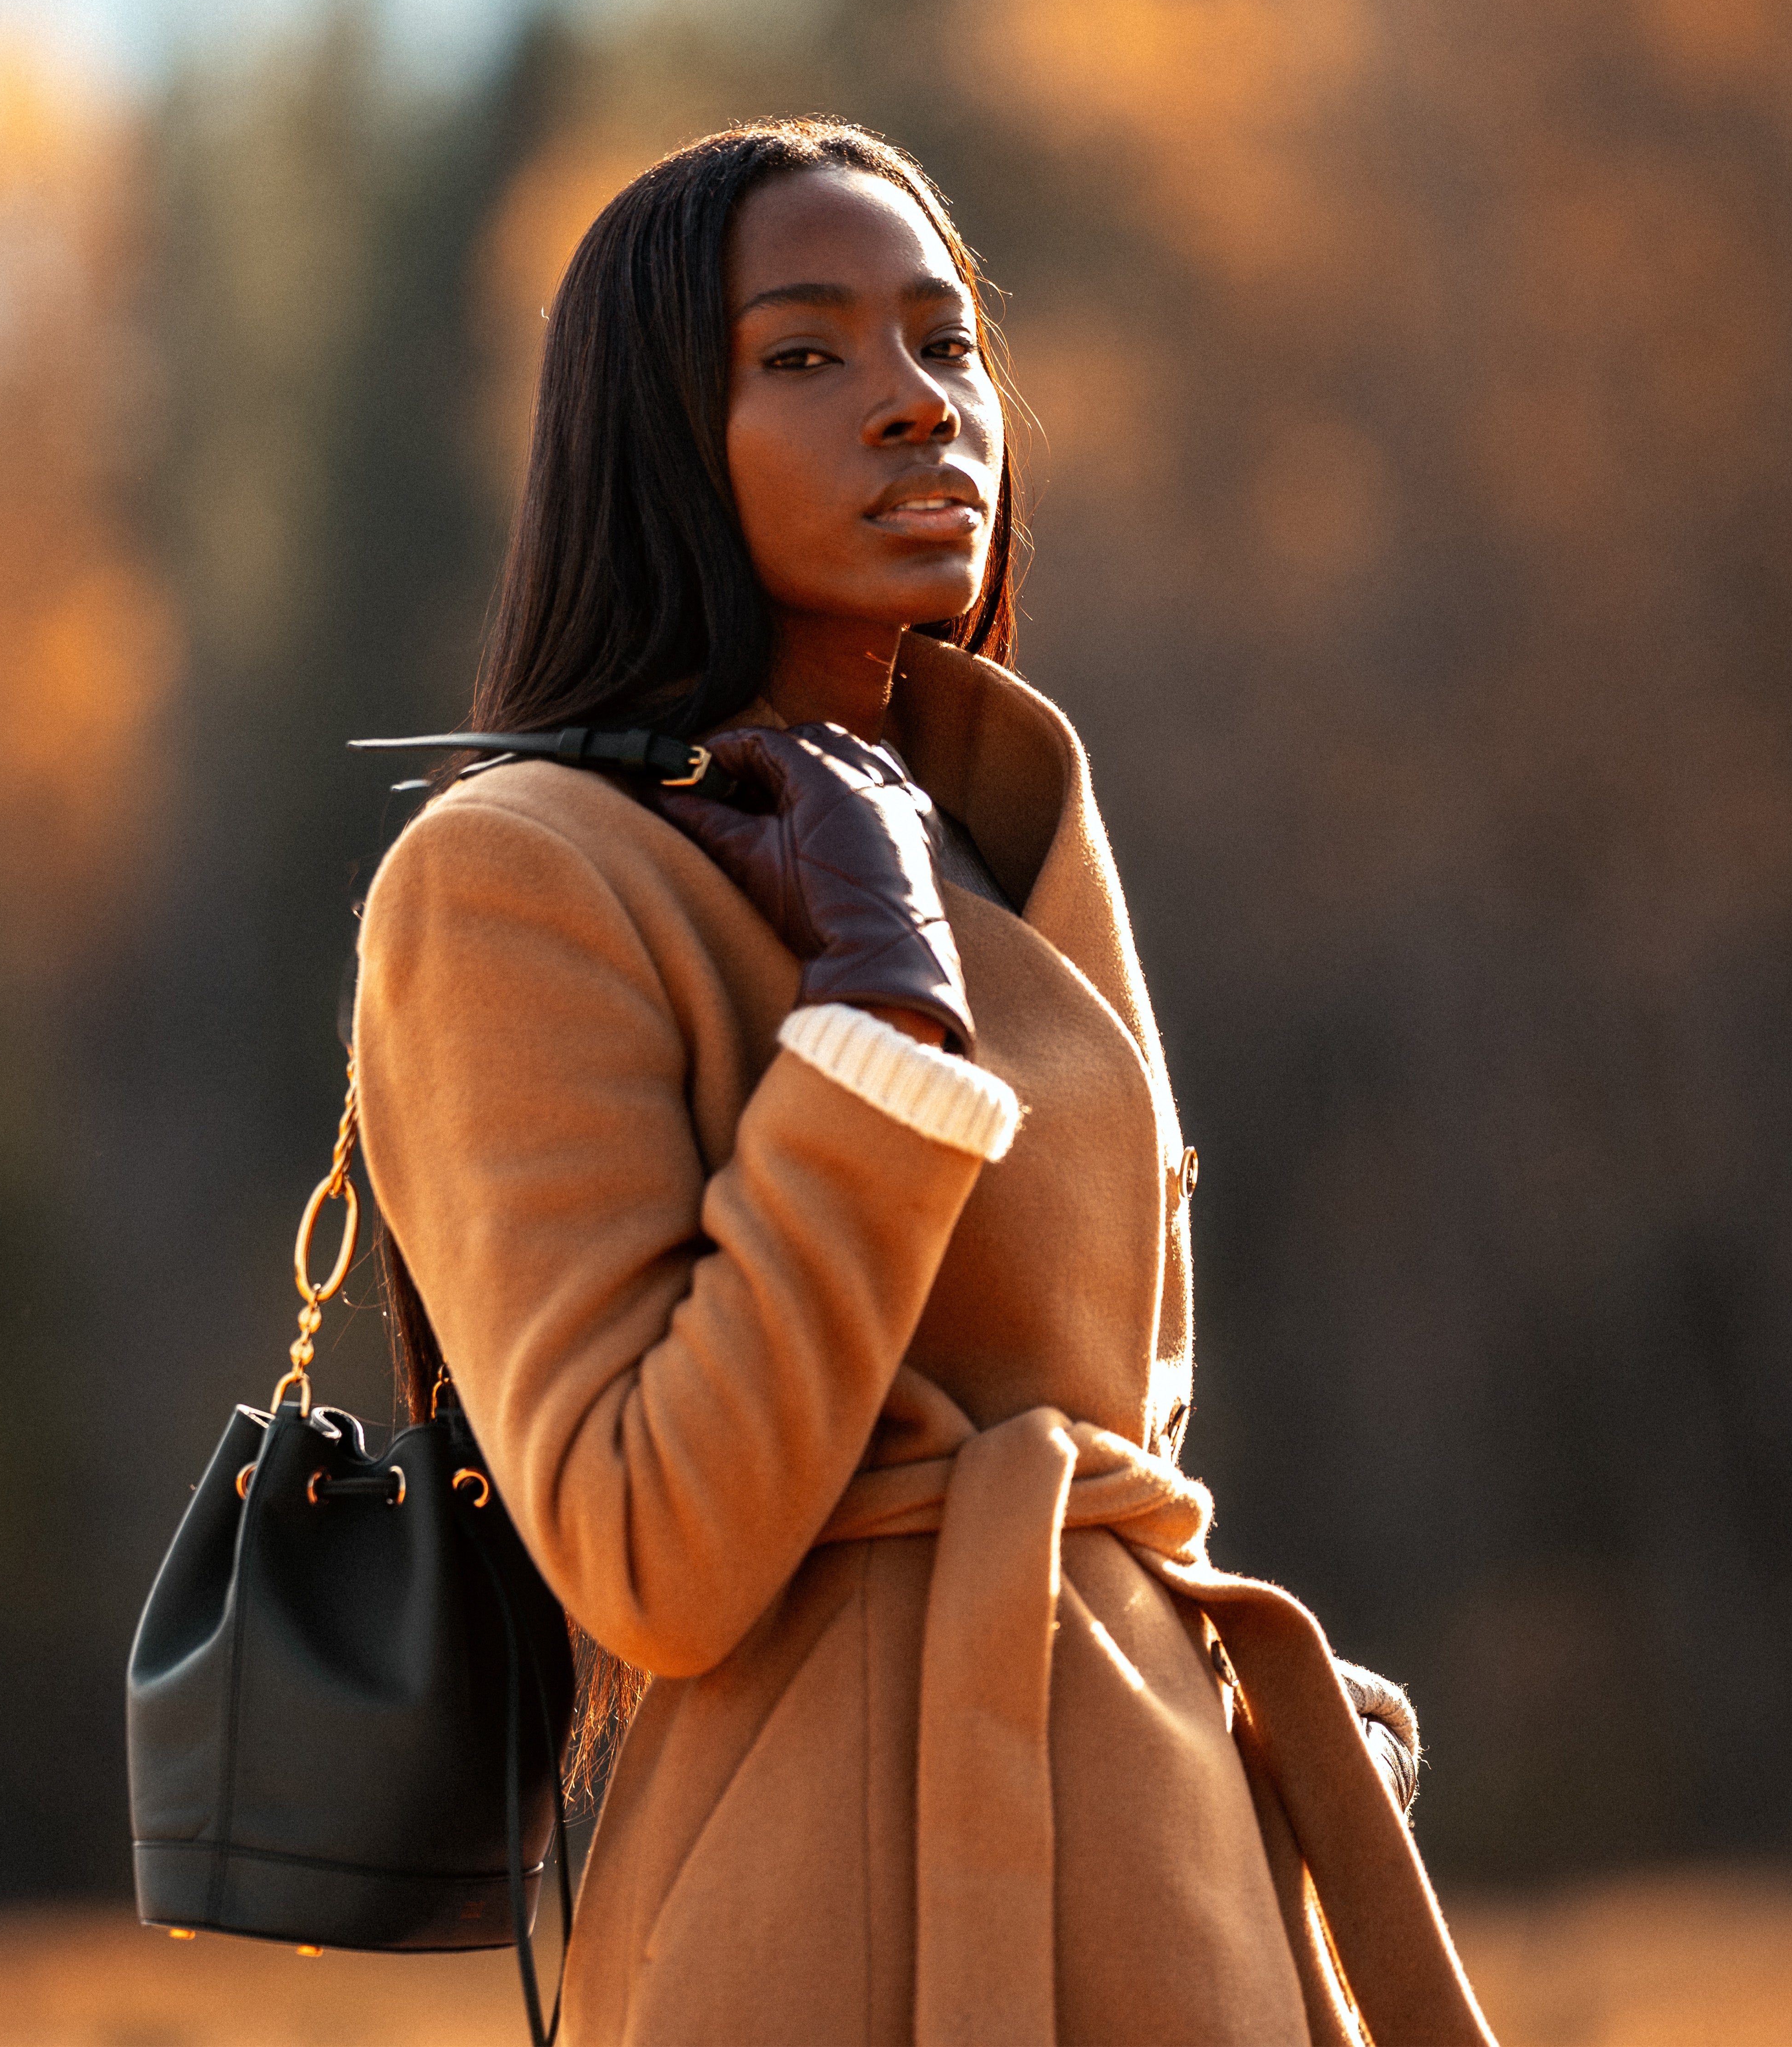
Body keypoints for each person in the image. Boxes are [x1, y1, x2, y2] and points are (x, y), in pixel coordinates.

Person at [352, 119, 1495, 2047]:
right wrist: (875, 1016)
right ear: (655, 434)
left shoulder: (993, 822)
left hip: (1172, 1889)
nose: (912, 405)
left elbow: (1091, 1419)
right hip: (821, 1931)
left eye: (945, 345)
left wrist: (1206, 1715)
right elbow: (651, 1545)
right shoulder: (518, 874)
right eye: (805, 353)